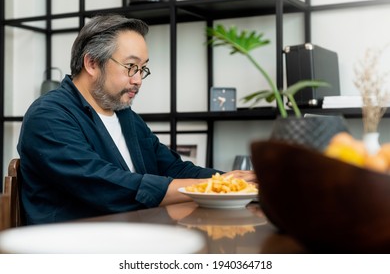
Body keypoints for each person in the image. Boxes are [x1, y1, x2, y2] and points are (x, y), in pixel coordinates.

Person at [17, 14, 257, 225]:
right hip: (73, 251)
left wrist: (233, 183)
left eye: (143, 69)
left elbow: (173, 167)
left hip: (136, 236)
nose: (138, 80)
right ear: (91, 63)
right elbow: (105, 185)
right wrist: (211, 188)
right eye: (131, 67)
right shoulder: (48, 116)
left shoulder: (125, 116)